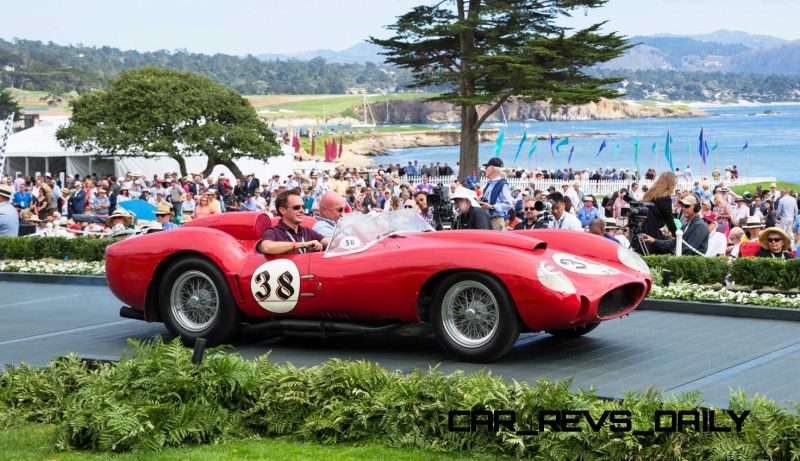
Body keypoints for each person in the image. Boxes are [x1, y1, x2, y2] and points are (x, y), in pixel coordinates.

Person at [257, 189, 329, 255]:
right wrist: (303, 244)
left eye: (303, 207)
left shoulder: (307, 231)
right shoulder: (273, 232)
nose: (302, 211)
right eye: (296, 207)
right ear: (282, 210)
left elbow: (332, 243)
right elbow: (266, 247)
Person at [642, 195, 708, 256]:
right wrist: (654, 240)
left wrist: (670, 256)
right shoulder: (686, 225)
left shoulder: (700, 226)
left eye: (687, 206)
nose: (683, 208)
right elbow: (673, 244)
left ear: (696, 208)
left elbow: (688, 250)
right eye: (683, 206)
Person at [640, 172, 679, 253]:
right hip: (653, 231)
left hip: (643, 227)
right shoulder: (665, 197)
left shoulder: (650, 194)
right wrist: (676, 234)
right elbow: (669, 219)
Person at [480, 157, 513, 231]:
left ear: (492, 169)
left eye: (486, 167)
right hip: (488, 220)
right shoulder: (489, 184)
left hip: (496, 221)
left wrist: (492, 206)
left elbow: (509, 204)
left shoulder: (502, 185)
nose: (485, 169)